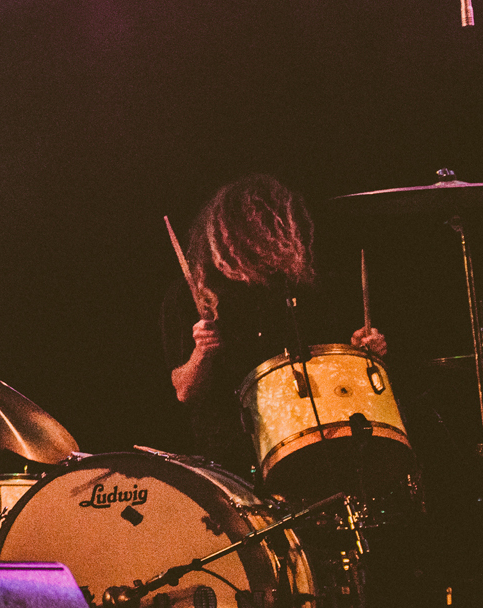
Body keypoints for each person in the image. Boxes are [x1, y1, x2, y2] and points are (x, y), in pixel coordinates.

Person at [161, 173, 385, 477]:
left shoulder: (300, 284)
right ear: (228, 232)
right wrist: (202, 352)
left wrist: (361, 350)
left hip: (317, 436)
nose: (268, 234)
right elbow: (185, 391)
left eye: (276, 223)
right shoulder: (193, 293)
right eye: (256, 225)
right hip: (235, 453)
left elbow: (334, 366)